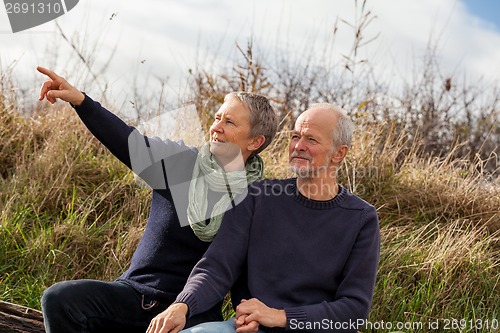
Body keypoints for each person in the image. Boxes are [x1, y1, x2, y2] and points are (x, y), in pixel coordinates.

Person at [36, 66, 278, 333]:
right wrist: (81, 101)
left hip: (193, 314)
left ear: (255, 142)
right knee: (60, 299)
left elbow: (245, 269)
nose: (216, 127)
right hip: (134, 296)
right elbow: (127, 141)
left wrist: (248, 315)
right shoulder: (181, 164)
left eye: (229, 122)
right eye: (217, 117)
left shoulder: (257, 199)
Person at [146, 103, 380, 333]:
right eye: (295, 136)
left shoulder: (361, 218)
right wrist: (183, 305)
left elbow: (354, 309)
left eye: (312, 139)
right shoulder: (257, 197)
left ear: (339, 153)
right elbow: (217, 267)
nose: (298, 146)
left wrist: (280, 317)